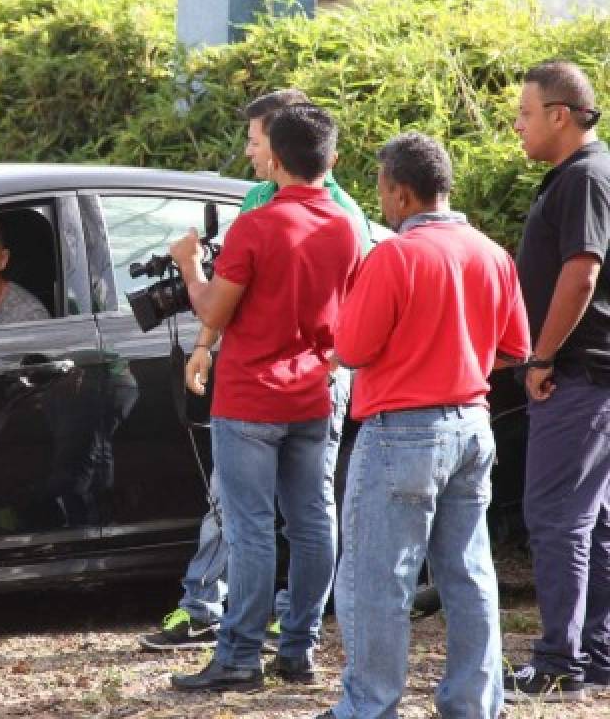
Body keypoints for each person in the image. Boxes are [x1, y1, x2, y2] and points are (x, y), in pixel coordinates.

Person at [140, 88, 371, 653]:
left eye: (255, 143)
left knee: (248, 527)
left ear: (277, 156)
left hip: (250, 397)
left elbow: (216, 306)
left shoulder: (258, 224)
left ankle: (239, 650)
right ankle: (299, 646)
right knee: (313, 520)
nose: (250, 152)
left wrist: (190, 266)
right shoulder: (346, 225)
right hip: (315, 390)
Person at [321, 132, 530, 719]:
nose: (381, 200)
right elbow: (516, 349)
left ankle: (370, 707)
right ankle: (475, 704)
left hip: (401, 433)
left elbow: (354, 347)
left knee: (375, 580)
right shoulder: (491, 253)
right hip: (472, 424)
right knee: (469, 574)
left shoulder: (392, 255)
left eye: (383, 188)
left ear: (403, 193)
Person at [503, 60, 610, 701]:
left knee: (558, 517)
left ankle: (560, 661)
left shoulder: (585, 177)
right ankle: (595, 653)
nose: (517, 125)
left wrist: (540, 357)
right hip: (590, 377)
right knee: (592, 521)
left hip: (577, 376)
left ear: (560, 114)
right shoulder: (583, 174)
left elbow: (582, 272)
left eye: (524, 112)